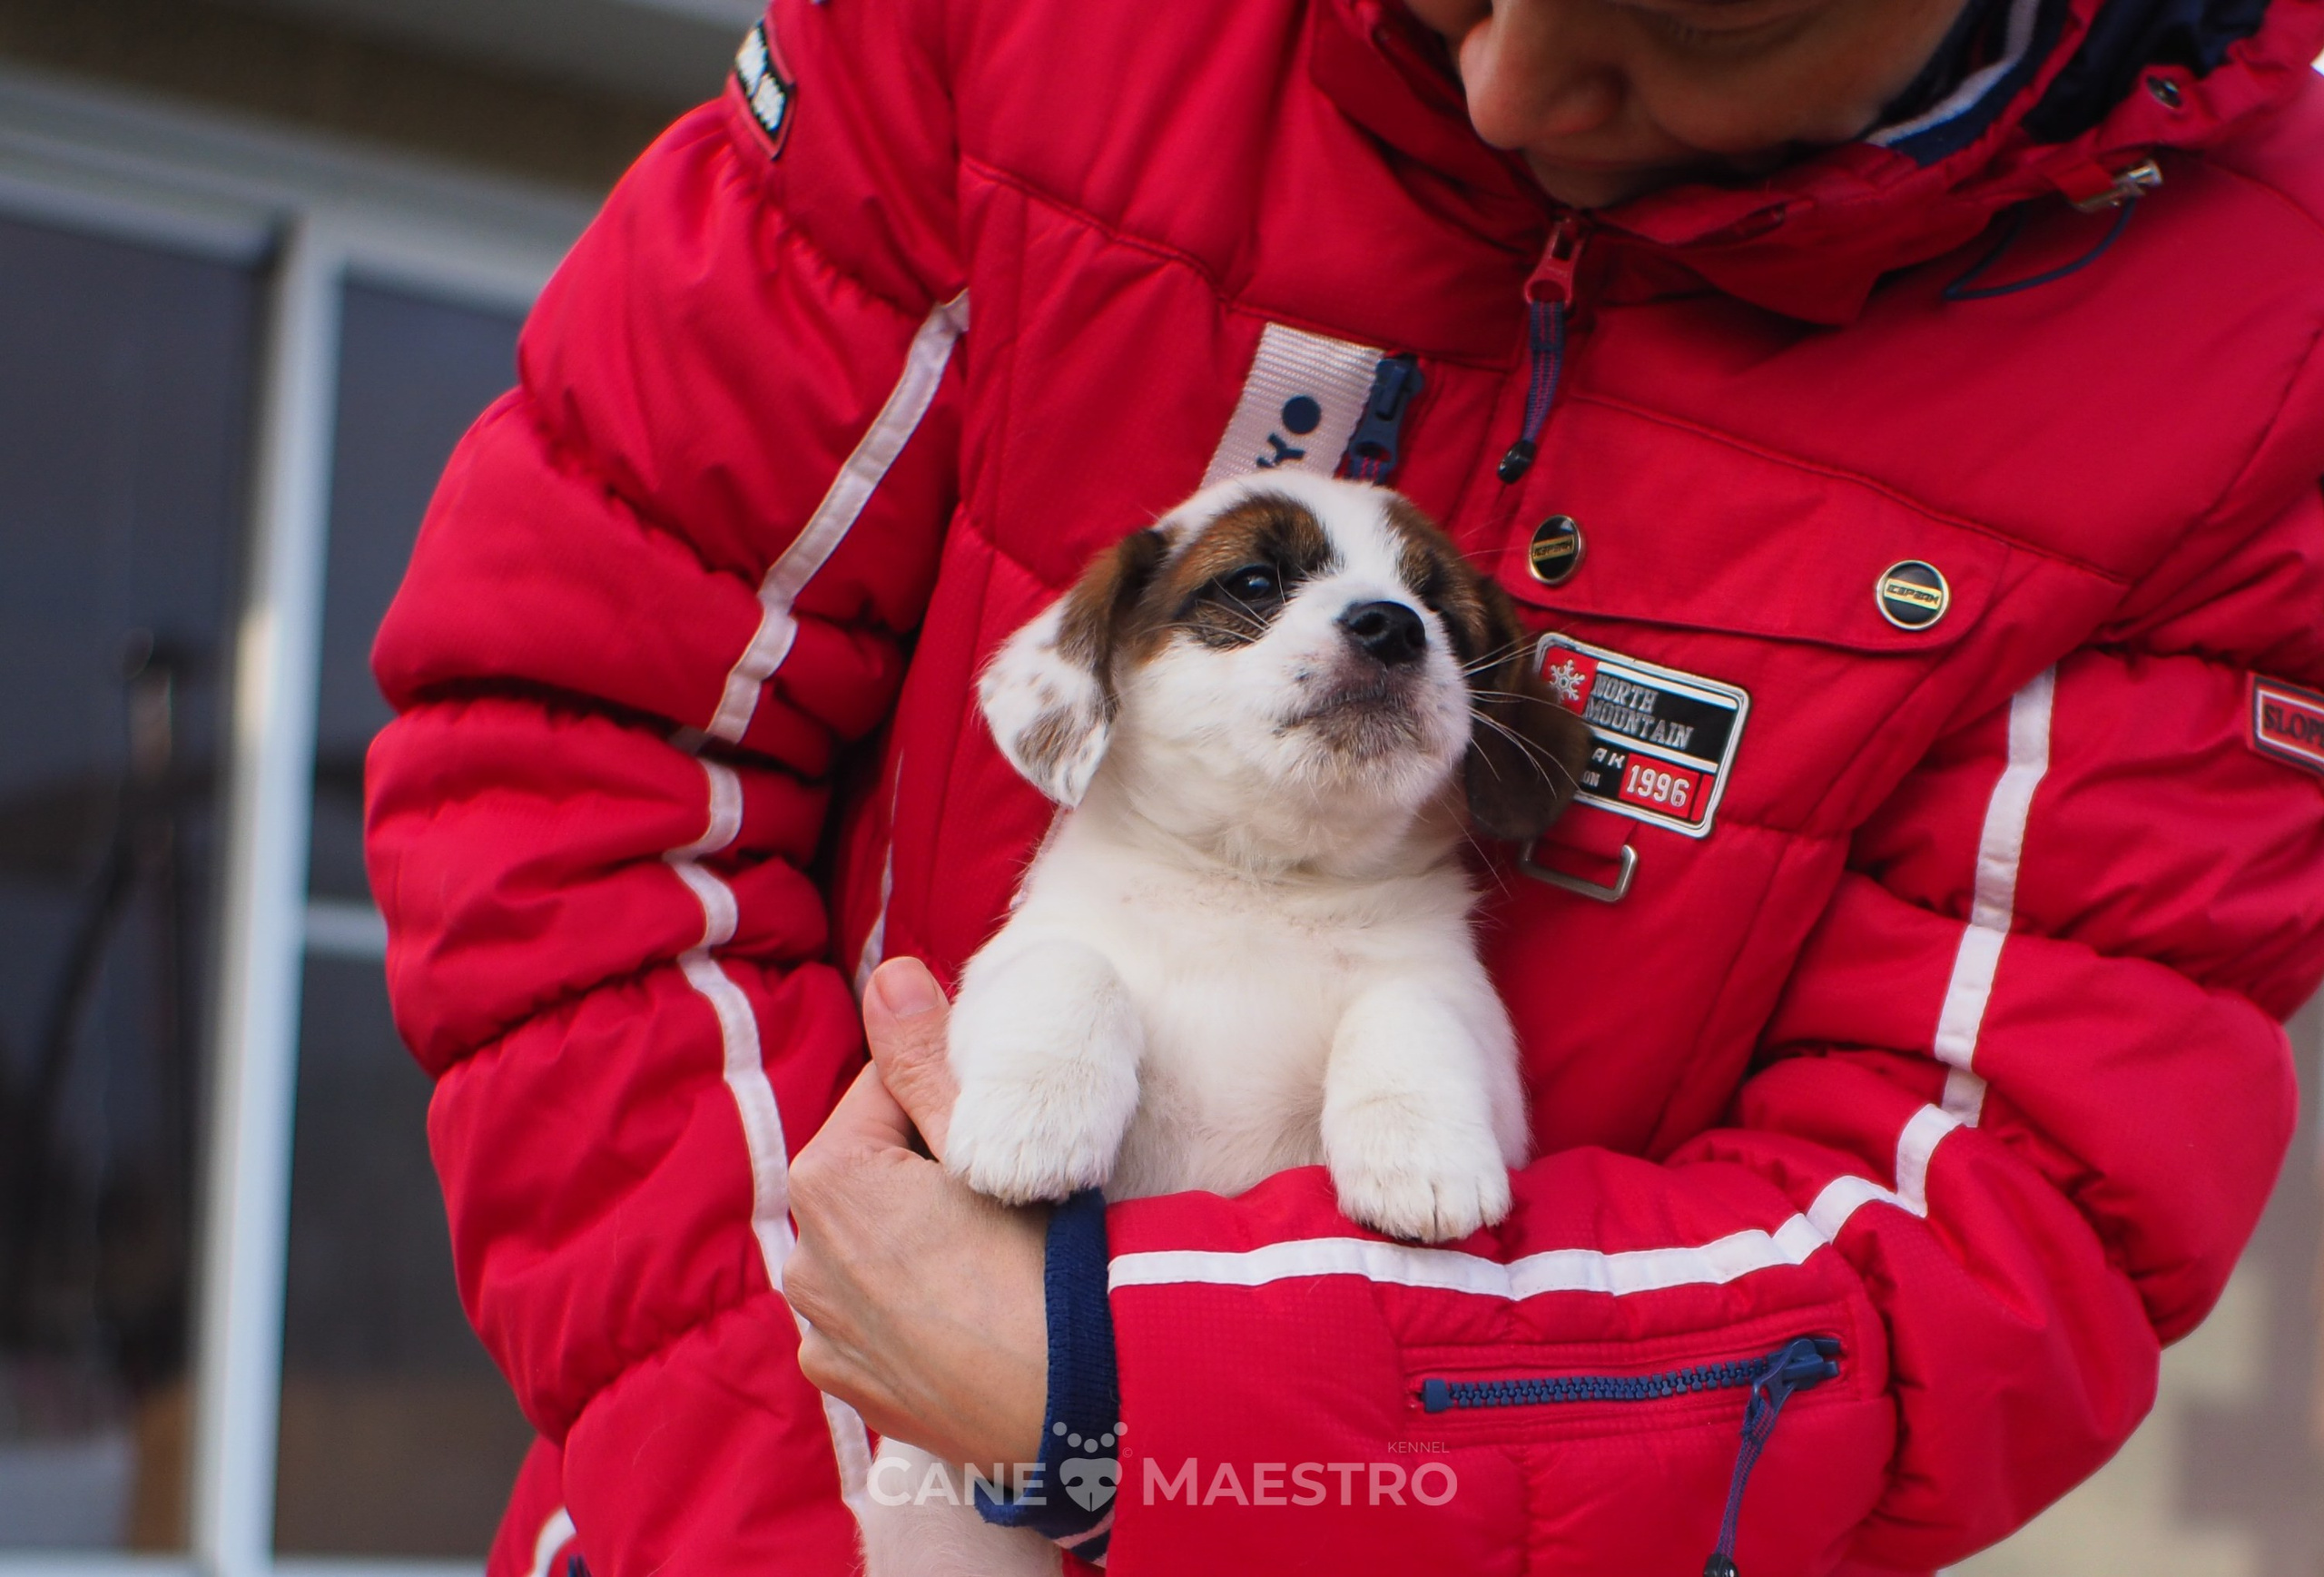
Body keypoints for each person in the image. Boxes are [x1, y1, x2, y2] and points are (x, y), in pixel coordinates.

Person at [364, 0, 2324, 1569]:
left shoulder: (2252, 349)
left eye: (1703, 16)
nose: (1506, 83)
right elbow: (574, 755)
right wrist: (808, 1497)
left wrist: (1145, 1406)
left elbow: (1987, 1239)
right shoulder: (1009, 39)